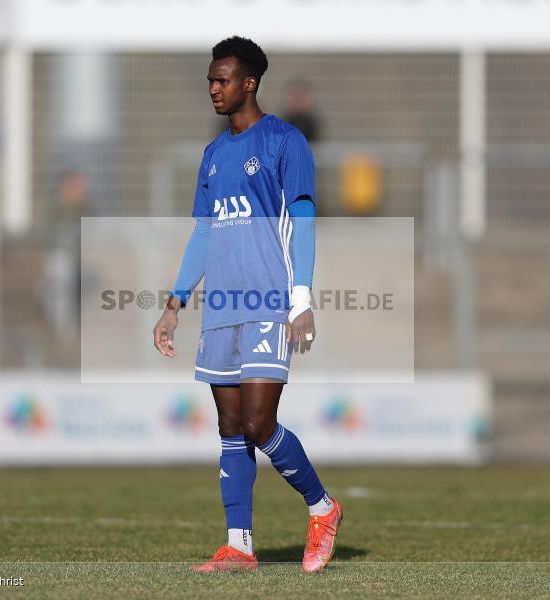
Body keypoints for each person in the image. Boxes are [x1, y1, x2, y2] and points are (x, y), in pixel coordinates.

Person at [152, 36, 342, 573]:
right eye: (210, 79)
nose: (213, 88)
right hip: (221, 309)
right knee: (230, 427)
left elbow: (302, 221)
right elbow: (204, 233)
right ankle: (240, 546)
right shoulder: (212, 154)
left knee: (260, 423)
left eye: (222, 79)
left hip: (268, 302)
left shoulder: (286, 141)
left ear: (249, 82)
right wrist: (175, 303)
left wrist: (300, 300)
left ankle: (323, 509)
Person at [282, 80, 320, 144]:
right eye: (296, 98)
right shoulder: (283, 122)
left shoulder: (311, 122)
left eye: (301, 98)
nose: (298, 102)